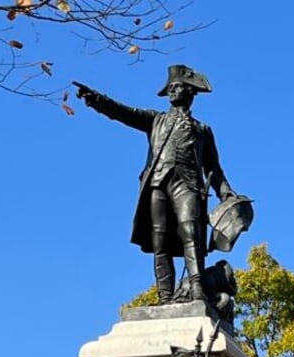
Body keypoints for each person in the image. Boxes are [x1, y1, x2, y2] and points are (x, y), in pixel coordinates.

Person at [76, 65, 238, 303]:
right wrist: (97, 100)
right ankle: (164, 296)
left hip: (188, 185)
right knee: (159, 240)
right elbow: (124, 113)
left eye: (177, 87)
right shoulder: (156, 120)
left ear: (191, 92)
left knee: (190, 233)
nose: (172, 91)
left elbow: (213, 167)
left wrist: (226, 192)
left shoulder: (202, 130)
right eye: (170, 88)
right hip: (158, 183)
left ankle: (197, 289)